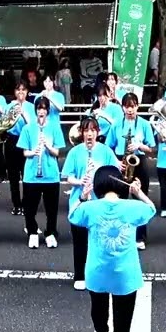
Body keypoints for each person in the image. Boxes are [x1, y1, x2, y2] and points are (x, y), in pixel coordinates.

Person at [68, 166, 156, 332]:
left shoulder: (90, 208)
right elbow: (151, 209)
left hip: (97, 272)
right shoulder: (132, 207)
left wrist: (82, 196)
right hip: (126, 274)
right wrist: (138, 192)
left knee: (98, 311)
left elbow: (72, 215)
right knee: (123, 321)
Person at [62, 117, 121, 290]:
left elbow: (114, 173)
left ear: (98, 132)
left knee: (102, 242)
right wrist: (80, 181)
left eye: (93, 130)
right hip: (79, 201)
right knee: (80, 241)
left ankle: (101, 275)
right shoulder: (75, 152)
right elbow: (68, 177)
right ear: (82, 133)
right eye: (86, 130)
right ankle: (80, 275)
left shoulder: (106, 151)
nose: (89, 134)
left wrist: (100, 183)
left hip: (100, 202)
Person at [106, 93, 155, 247]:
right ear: (122, 107)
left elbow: (152, 149)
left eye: (132, 106)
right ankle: (120, 235)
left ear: (137, 106)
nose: (130, 110)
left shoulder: (144, 124)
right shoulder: (116, 124)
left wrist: (139, 145)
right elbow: (108, 147)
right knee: (119, 200)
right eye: (127, 106)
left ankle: (140, 237)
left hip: (138, 161)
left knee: (140, 199)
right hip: (121, 161)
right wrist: (116, 161)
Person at [19, 96, 66, 249]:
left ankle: (50, 232)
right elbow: (25, 152)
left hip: (50, 174)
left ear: (48, 111)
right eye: (39, 108)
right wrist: (34, 152)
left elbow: (57, 152)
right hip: (31, 175)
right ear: (36, 110)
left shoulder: (54, 127)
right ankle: (32, 232)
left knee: (51, 208)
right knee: (29, 207)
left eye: (44, 108)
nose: (41, 111)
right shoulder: (28, 128)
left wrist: (47, 146)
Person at [2, 84, 31, 216]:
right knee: (13, 175)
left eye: (23, 90)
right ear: (15, 92)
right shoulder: (9, 106)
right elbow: (3, 124)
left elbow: (32, 125)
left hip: (25, 141)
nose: (20, 92)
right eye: (18, 90)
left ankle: (26, 204)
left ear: (27, 92)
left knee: (26, 174)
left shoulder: (30, 107)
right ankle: (16, 204)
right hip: (11, 140)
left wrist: (23, 113)